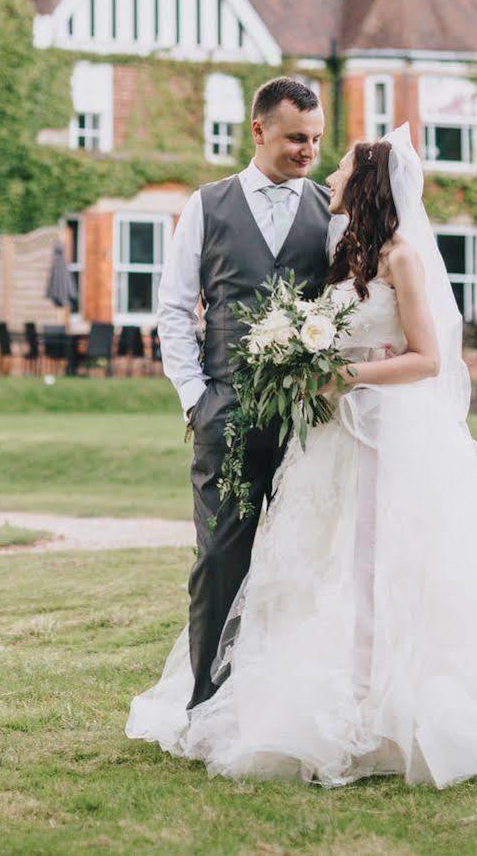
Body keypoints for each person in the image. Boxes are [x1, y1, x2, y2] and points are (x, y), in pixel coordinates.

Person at [128, 124, 477, 787]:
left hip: (382, 431)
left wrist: (341, 376)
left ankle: (373, 700)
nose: (324, 174)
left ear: (361, 185)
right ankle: (292, 689)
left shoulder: (401, 259)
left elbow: (428, 357)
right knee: (311, 561)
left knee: (376, 563)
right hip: (325, 432)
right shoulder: (343, 252)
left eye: (338, 165)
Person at [152, 75, 342, 710]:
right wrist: (194, 398)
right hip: (226, 412)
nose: (307, 150)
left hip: (308, 420)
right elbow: (175, 309)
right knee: (220, 561)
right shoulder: (207, 205)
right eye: (295, 137)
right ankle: (207, 703)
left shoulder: (329, 211)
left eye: (315, 139)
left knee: (301, 563)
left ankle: (286, 704)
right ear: (258, 130)